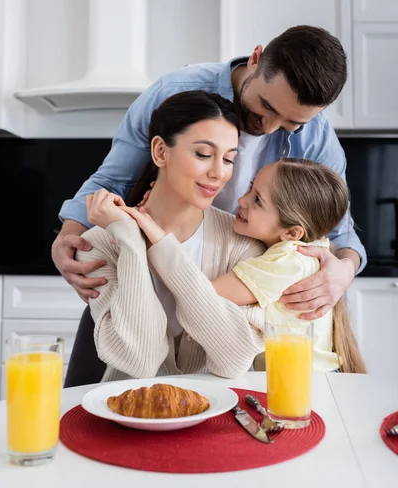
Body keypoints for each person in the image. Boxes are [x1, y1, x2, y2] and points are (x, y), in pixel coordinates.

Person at [53, 25, 367, 323]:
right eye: (266, 107)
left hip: (242, 284)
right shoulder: (174, 92)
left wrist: (345, 270)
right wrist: (68, 236)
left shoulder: (316, 134)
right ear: (255, 60)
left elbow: (338, 229)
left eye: (290, 124)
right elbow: (113, 179)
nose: (269, 127)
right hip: (151, 267)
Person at [75, 91, 266, 381]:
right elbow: (139, 362)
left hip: (215, 415)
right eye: (203, 154)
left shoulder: (243, 243)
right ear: (161, 152)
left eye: (228, 160)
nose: (218, 172)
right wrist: (131, 241)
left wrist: (163, 249)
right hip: (129, 415)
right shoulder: (101, 242)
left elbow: (235, 359)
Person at [125, 158, 366, 374]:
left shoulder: (285, 262)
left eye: (258, 200)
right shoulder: (310, 250)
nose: (242, 200)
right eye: (251, 188)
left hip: (302, 386)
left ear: (292, 232)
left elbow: (200, 295)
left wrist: (155, 233)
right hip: (308, 379)